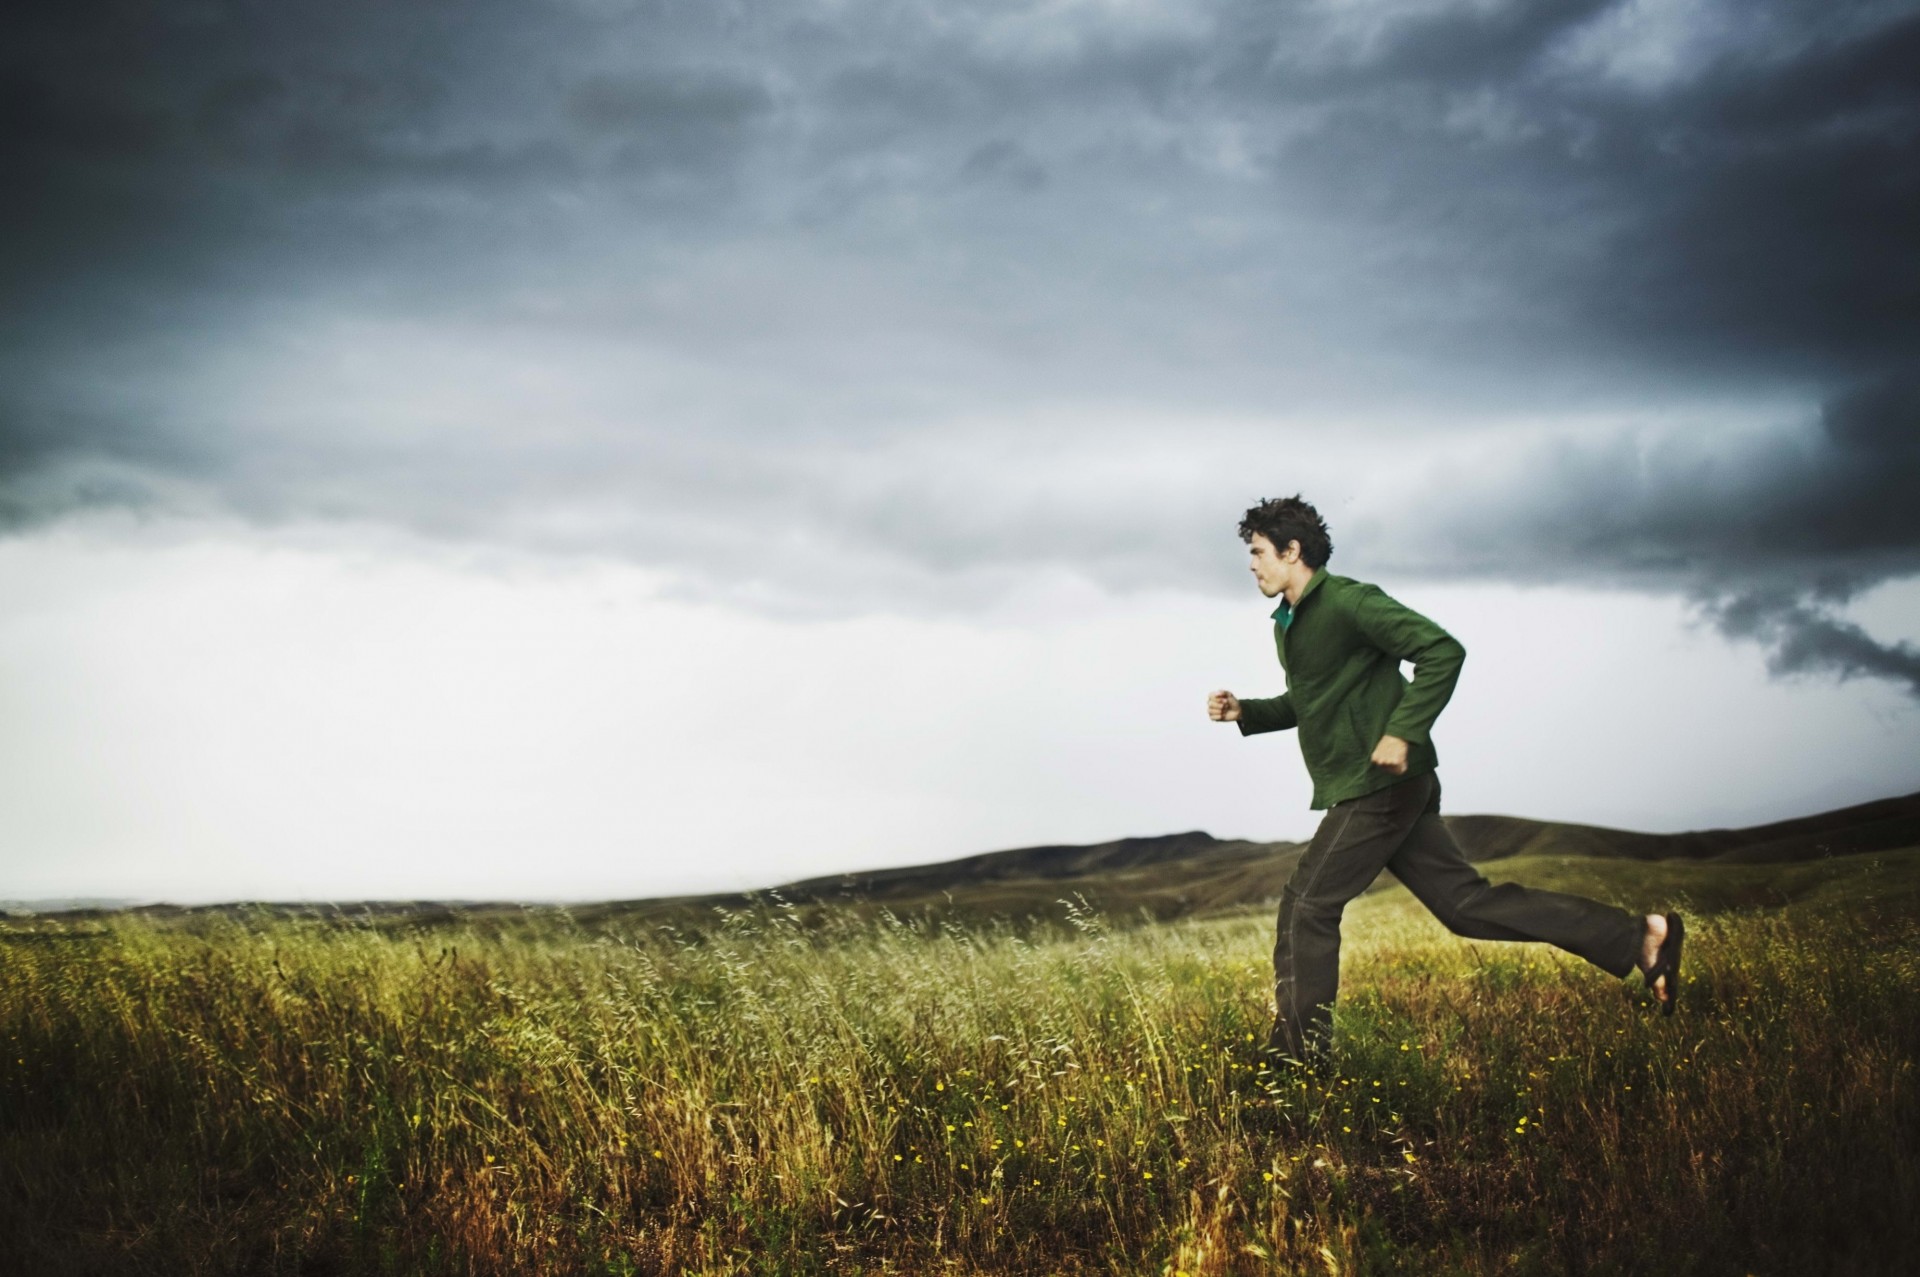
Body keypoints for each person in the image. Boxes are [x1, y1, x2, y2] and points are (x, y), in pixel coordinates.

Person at [1207, 495, 1684, 1069]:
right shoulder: (1292, 620)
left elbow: (1441, 650)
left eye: (1258, 552)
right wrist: (1247, 712)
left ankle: (1296, 1062)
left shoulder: (1351, 602)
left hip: (1379, 784)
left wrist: (1403, 732)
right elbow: (1313, 699)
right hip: (1381, 783)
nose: (1252, 565)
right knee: (1464, 905)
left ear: (1292, 550)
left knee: (1307, 904)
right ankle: (1640, 936)